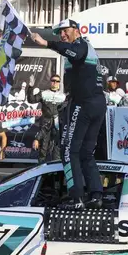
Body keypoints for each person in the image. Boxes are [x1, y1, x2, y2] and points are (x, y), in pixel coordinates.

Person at [31, 19, 106, 209]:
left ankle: (76, 198)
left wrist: (47, 43)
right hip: (96, 103)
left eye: (64, 31)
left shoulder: (80, 45)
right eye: (59, 33)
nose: (62, 35)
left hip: (84, 104)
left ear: (76, 30)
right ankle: (96, 195)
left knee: (68, 150)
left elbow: (74, 53)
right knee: (85, 153)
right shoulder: (86, 46)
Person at [27, 73, 66, 163]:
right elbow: (31, 100)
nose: (55, 83)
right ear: (50, 82)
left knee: (57, 152)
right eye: (53, 81)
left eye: (57, 81)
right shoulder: (44, 93)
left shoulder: (63, 96)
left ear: (59, 83)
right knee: (43, 151)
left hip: (57, 126)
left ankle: (56, 173)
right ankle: (42, 173)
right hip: (45, 124)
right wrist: (30, 87)